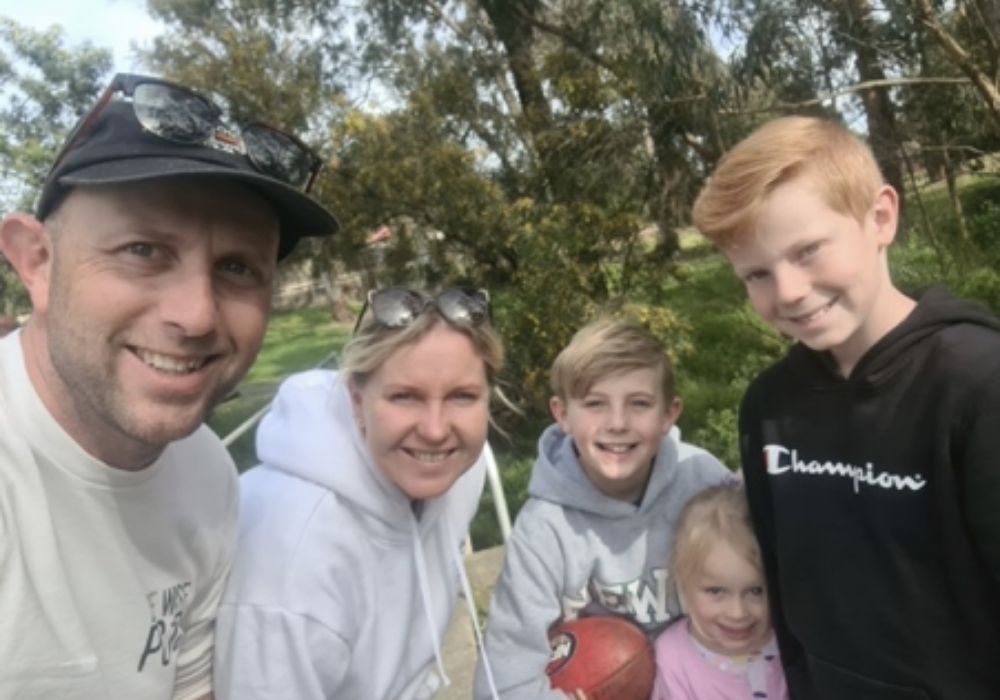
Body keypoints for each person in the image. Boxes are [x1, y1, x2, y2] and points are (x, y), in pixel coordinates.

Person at [0, 72, 338, 700]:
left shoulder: (207, 474)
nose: (198, 316)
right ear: (37, 263)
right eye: (143, 251)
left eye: (237, 267)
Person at [691, 115, 1000, 699]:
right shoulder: (769, 408)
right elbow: (786, 594)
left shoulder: (978, 386)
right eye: (757, 274)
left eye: (808, 251)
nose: (788, 291)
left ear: (880, 217)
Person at [214, 287, 504, 700]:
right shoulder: (295, 557)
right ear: (356, 399)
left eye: (462, 396)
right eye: (405, 396)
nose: (436, 430)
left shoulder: (459, 475)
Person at [474, 317, 732, 699]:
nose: (617, 423)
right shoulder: (544, 529)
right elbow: (503, 682)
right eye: (595, 404)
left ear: (669, 414)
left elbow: (768, 587)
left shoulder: (704, 483)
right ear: (562, 414)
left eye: (639, 404)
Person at [652, 482, 787, 699]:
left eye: (756, 591)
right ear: (683, 583)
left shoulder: (790, 644)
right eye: (716, 591)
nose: (738, 613)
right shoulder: (673, 656)